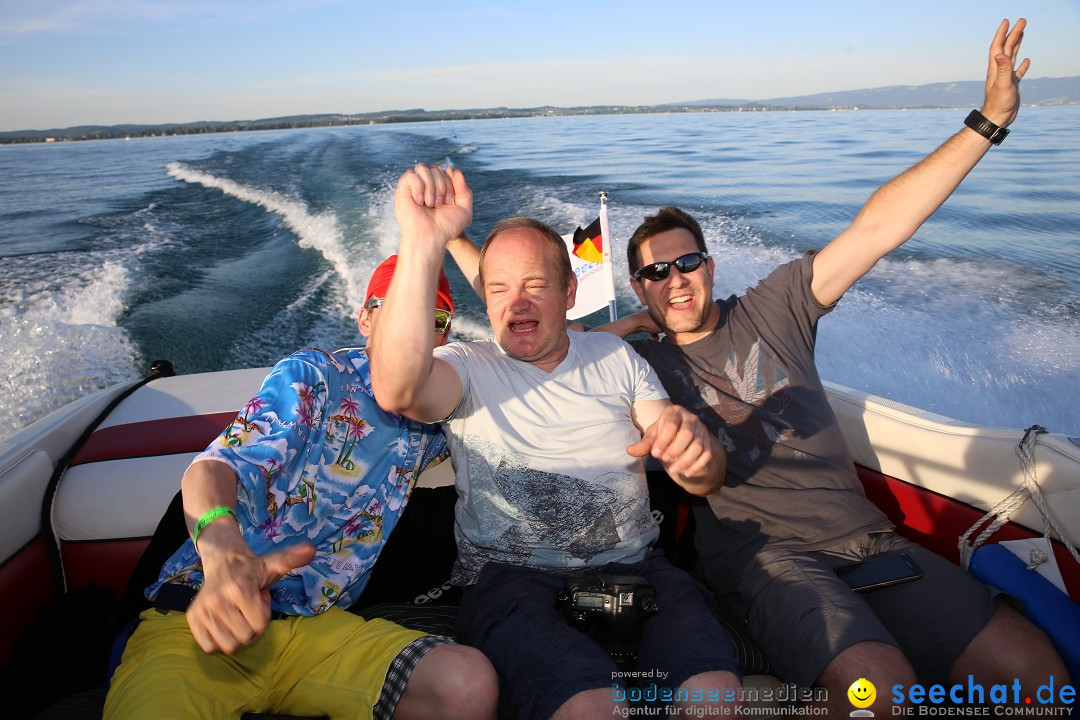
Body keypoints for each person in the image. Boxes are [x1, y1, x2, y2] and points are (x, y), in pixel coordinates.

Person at [598, 17, 1068, 715]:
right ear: (640, 287)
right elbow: (553, 361)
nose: (676, 280)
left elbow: (877, 227)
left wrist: (989, 120)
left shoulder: (776, 305)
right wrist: (629, 327)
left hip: (871, 542)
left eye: (687, 261)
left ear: (710, 263)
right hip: (769, 562)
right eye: (656, 273)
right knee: (879, 694)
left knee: (1040, 680)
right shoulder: (636, 363)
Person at [369, 163, 742, 719]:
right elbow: (398, 390)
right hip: (510, 581)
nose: (516, 303)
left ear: (569, 292)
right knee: (592, 708)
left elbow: (697, 473)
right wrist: (425, 241)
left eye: (535, 286)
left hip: (639, 569)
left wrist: (698, 452)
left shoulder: (617, 357)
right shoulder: (465, 368)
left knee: (714, 699)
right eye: (499, 289)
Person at [104, 257, 497, 719]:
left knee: (465, 684)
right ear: (366, 319)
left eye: (431, 319)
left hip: (318, 629)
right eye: (397, 311)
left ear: (444, 336)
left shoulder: (439, 410)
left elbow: (534, 362)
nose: (413, 332)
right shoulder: (314, 379)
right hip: (201, 617)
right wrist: (224, 554)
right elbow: (211, 471)